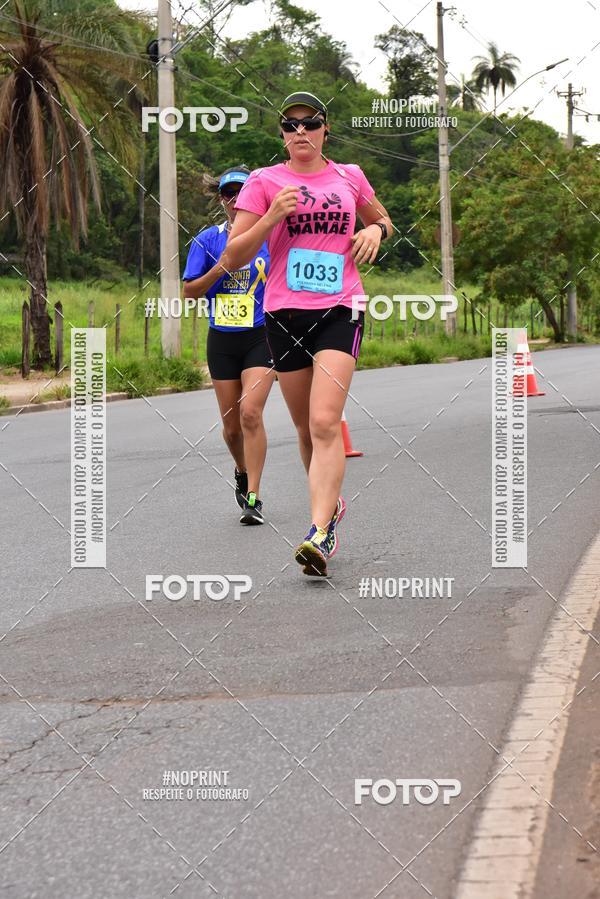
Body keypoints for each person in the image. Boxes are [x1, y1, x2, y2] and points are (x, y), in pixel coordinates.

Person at [222, 92, 392, 575]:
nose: (301, 132)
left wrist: (375, 231)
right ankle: (330, 505)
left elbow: (382, 218)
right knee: (304, 430)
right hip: (283, 314)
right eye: (290, 124)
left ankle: (319, 531)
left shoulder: (349, 176)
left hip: (341, 308)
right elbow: (233, 256)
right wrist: (273, 216)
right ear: (281, 133)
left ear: (324, 130)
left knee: (324, 422)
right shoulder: (263, 182)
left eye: (310, 123)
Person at [182, 165, 275, 525]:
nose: (236, 199)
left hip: (261, 334)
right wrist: (221, 268)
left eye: (243, 191)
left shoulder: (271, 237)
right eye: (228, 193)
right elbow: (190, 291)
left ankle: (254, 495)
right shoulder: (207, 240)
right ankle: (240, 468)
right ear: (221, 199)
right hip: (221, 339)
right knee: (232, 427)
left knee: (251, 412)